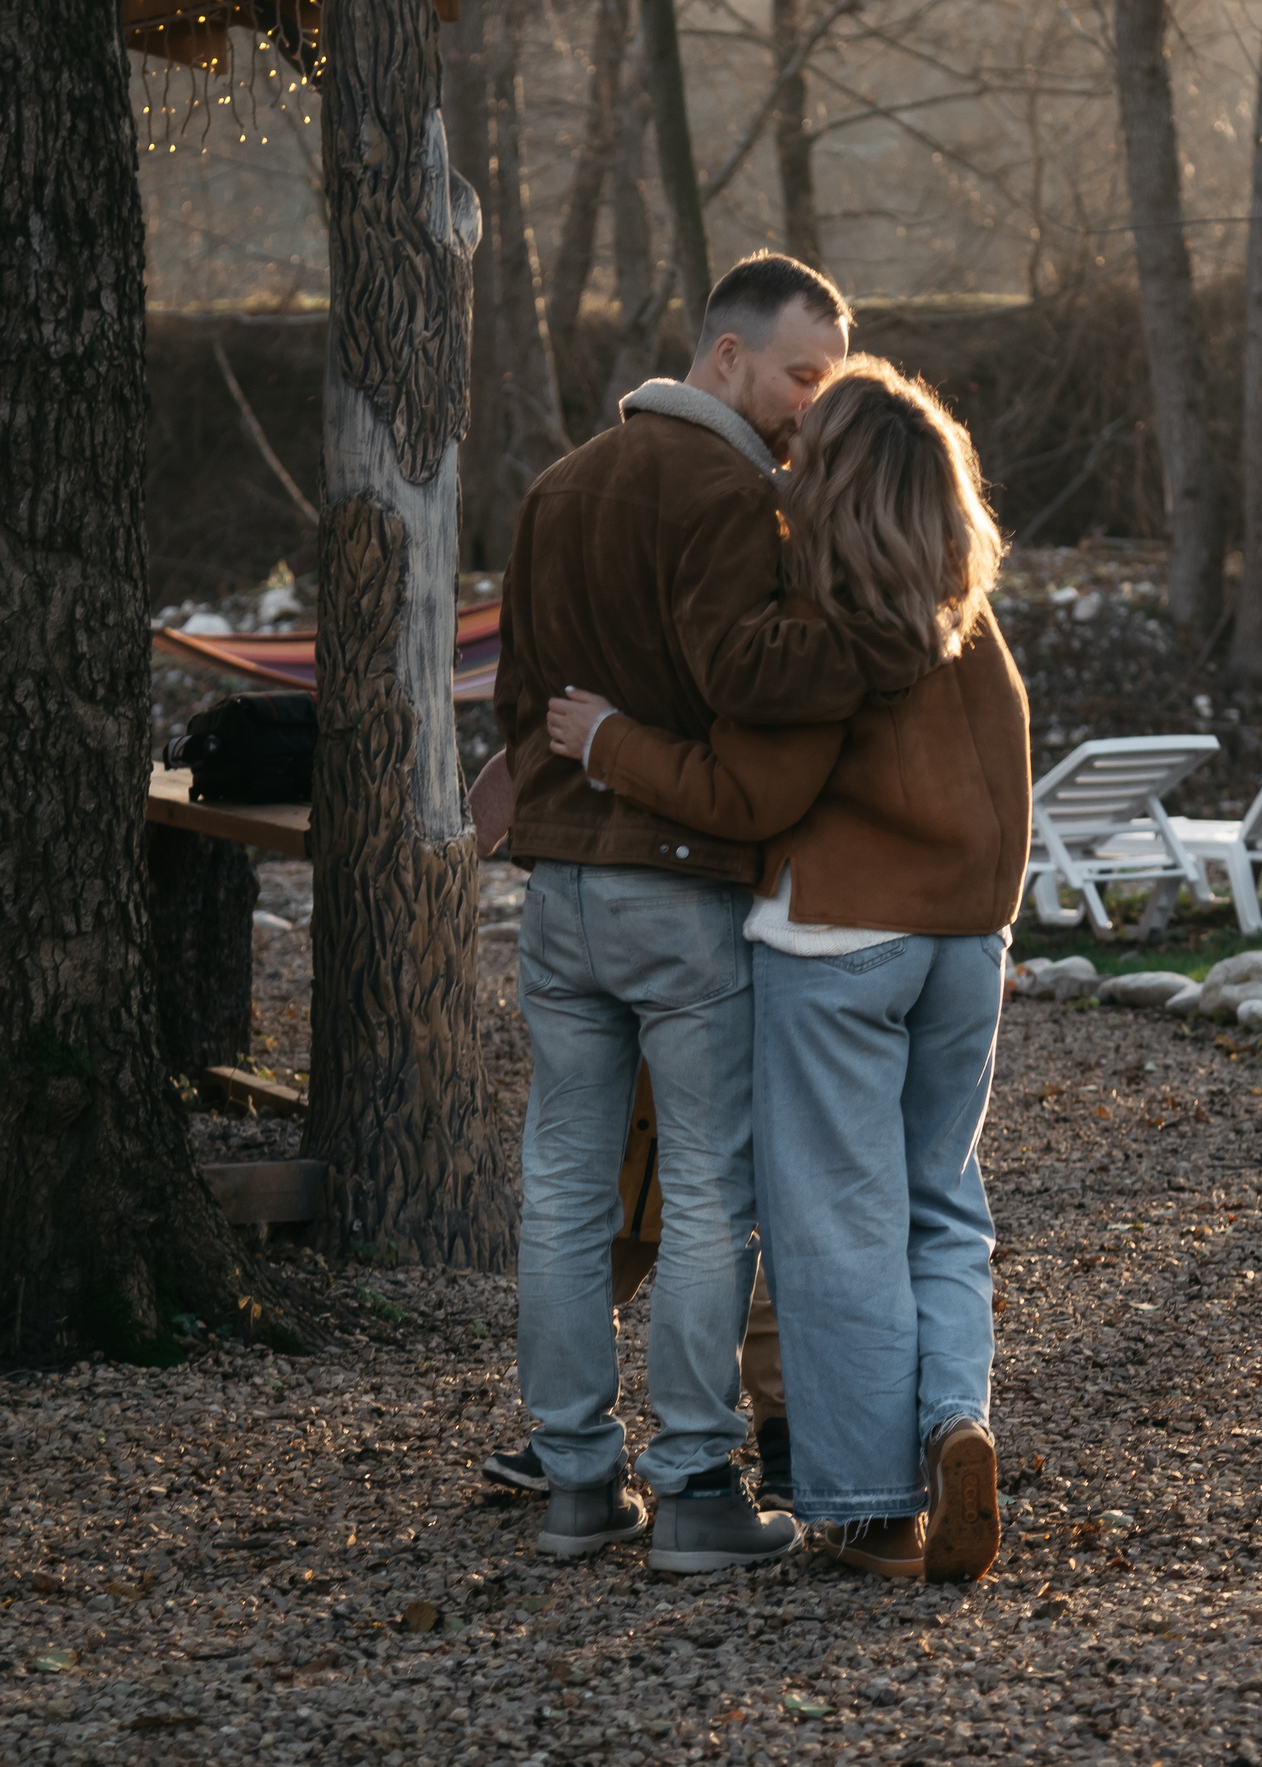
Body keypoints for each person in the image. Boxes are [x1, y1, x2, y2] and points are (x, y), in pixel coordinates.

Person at [545, 359, 1029, 1582]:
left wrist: (609, 743)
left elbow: (753, 792)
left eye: (806, 455)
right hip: (970, 943)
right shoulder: (967, 615)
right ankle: (953, 1422)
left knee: (836, 1226)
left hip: (839, 942)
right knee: (942, 1206)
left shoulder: (830, 617)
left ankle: (872, 1509)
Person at [491, 253, 932, 1572]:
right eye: (805, 374)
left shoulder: (557, 486)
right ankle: (691, 1481)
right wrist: (884, 633)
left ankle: (574, 1478)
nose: (815, 404)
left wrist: (578, 765)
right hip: (676, 887)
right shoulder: (733, 489)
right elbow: (741, 666)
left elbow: (519, 708)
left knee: (563, 1184)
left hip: (559, 892)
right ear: (726, 358)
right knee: (704, 1192)